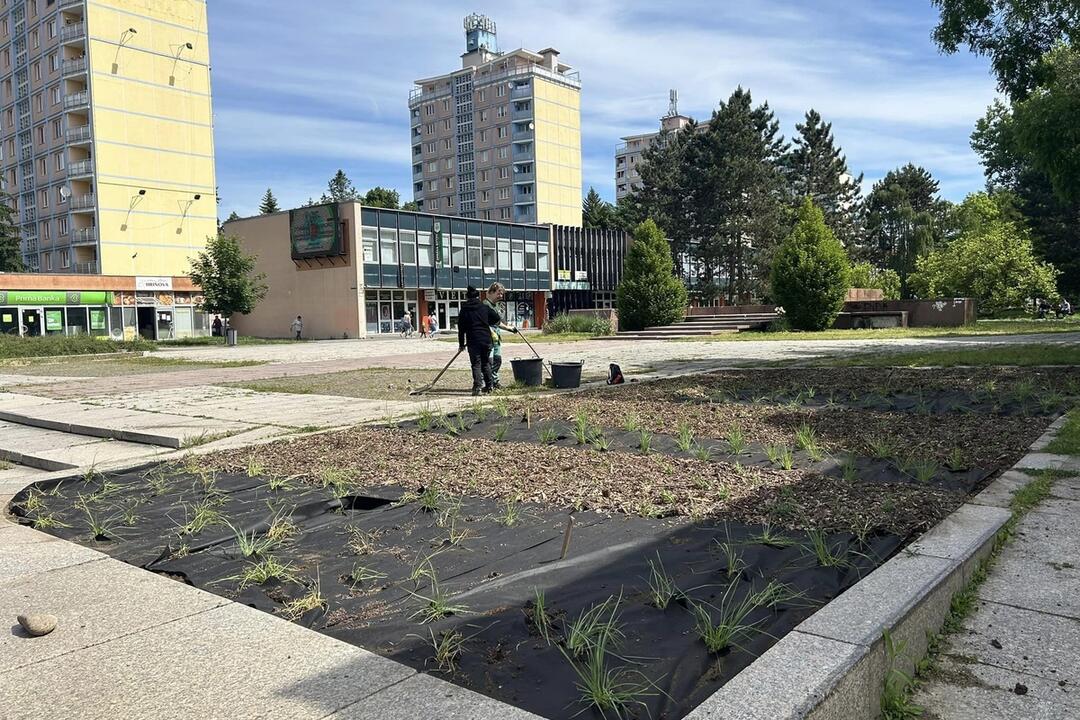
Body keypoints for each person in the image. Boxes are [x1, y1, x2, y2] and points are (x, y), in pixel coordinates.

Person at [458, 286, 502, 395]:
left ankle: (478, 387)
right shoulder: (483, 307)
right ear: (478, 296)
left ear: (467, 297)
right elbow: (496, 318)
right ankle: (489, 386)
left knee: (476, 364)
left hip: (473, 340)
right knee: (486, 363)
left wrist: (461, 344)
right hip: (486, 339)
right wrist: (486, 322)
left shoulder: (464, 309)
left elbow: (461, 329)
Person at [484, 282, 519, 389]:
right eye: (499, 293)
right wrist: (491, 331)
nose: (501, 296)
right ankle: (486, 383)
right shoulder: (485, 305)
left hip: (497, 338)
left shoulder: (497, 306)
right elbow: (484, 322)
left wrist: (510, 328)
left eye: (502, 294)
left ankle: (495, 381)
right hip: (487, 338)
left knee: (497, 361)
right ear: (491, 292)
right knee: (488, 362)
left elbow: (498, 322)